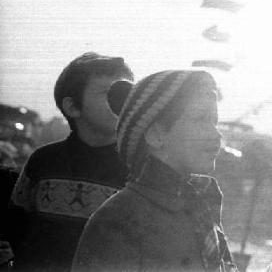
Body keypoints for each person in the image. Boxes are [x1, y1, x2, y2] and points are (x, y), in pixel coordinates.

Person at [72, 69, 238, 271]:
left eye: (214, 122)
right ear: (156, 135)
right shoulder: (119, 218)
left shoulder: (200, 206)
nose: (216, 135)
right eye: (201, 119)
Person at [6, 52, 134, 271]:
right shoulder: (43, 161)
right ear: (72, 107)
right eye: (108, 93)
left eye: (126, 94)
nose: (121, 103)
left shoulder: (137, 170)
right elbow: (15, 228)